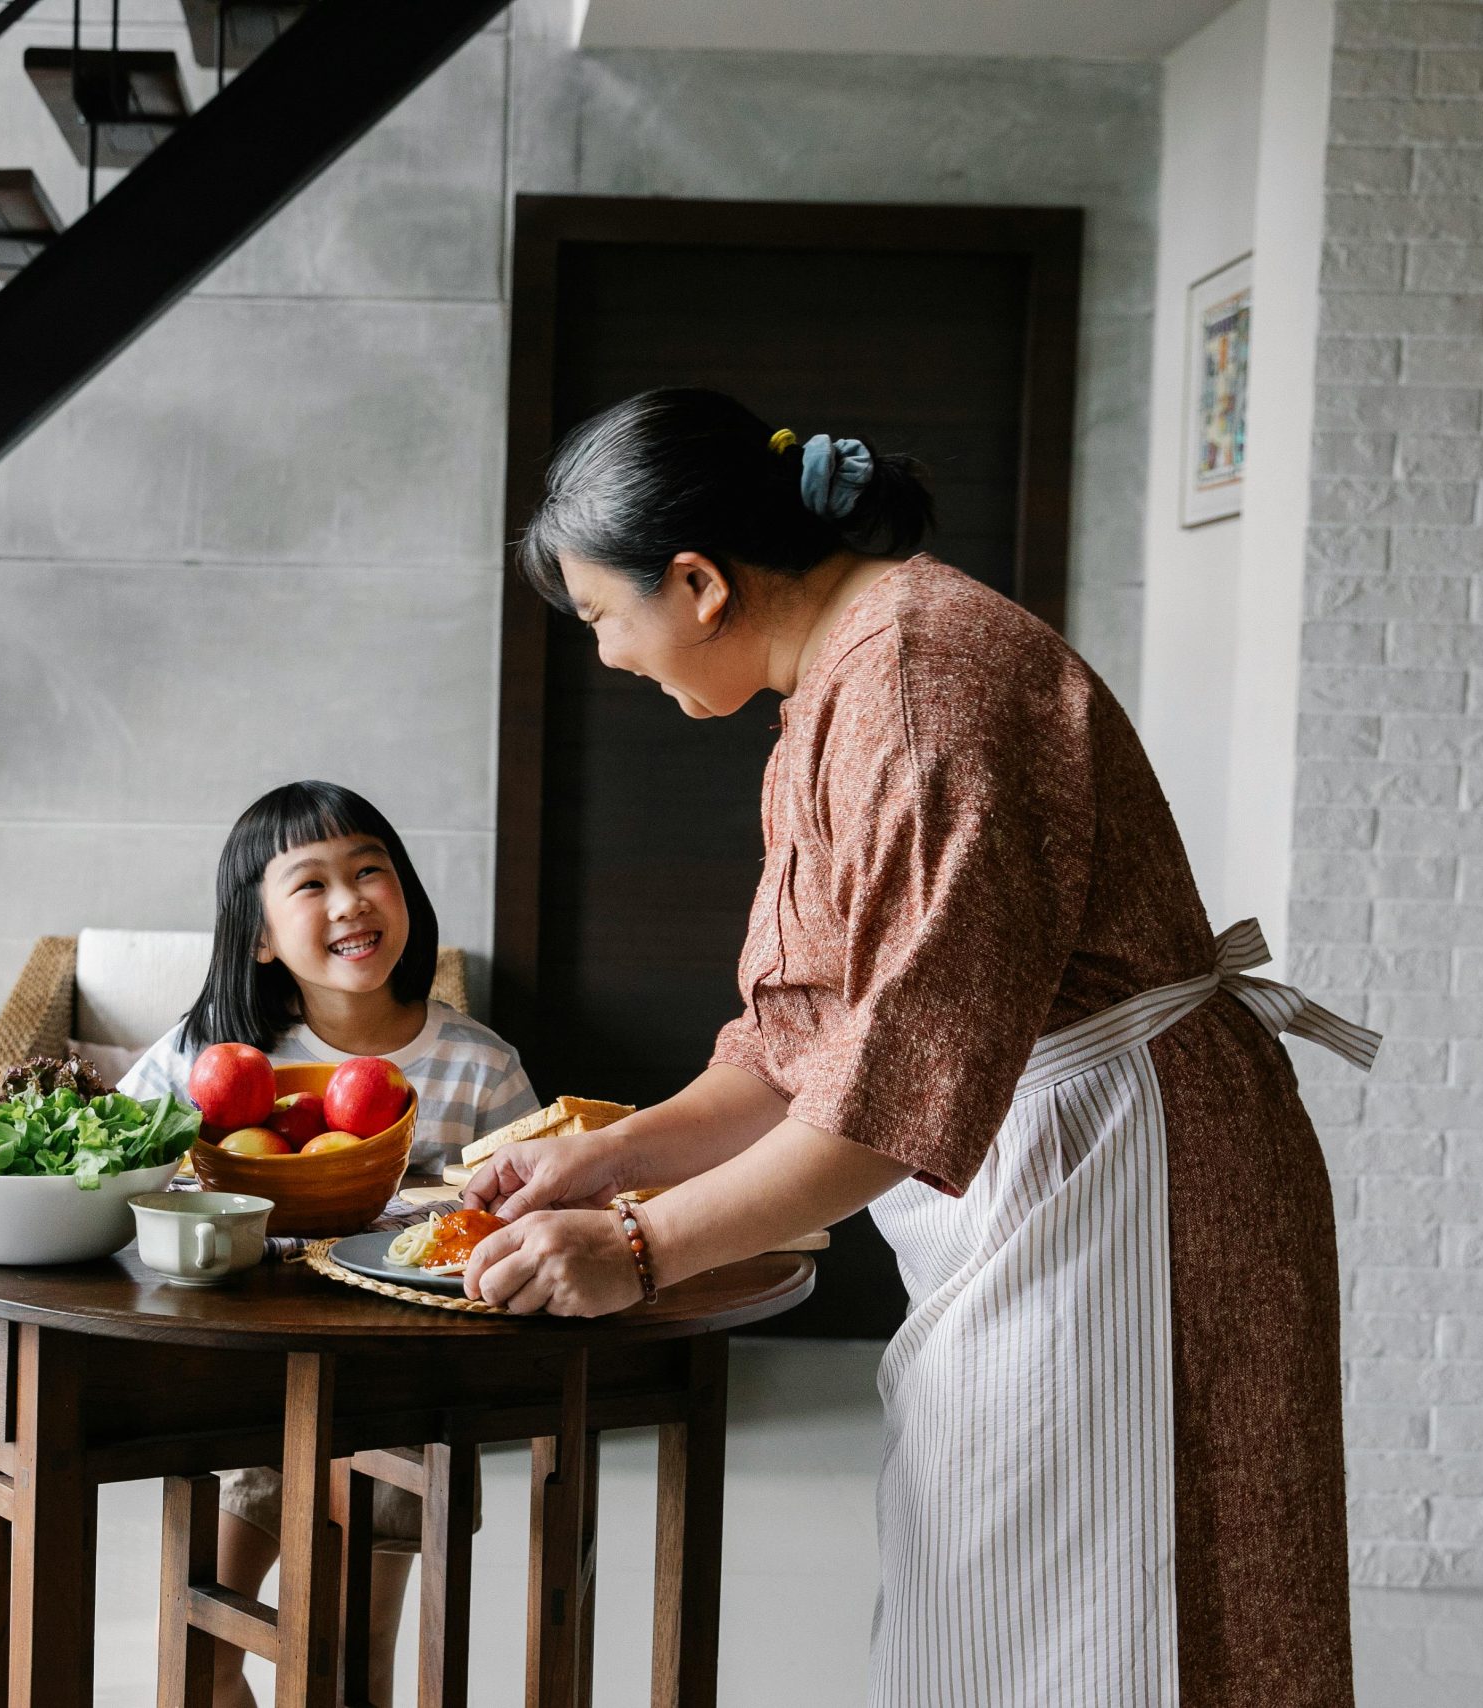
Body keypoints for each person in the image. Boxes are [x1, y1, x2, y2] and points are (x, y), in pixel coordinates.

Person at [461, 388, 1376, 1707]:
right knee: (999, 1600)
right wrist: (613, 1159)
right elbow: (795, 1043)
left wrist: (641, 1248)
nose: (605, 656)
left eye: (602, 616)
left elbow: (893, 1092)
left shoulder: (917, 683)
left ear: (700, 582)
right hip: (1048, 1166)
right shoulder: (837, 682)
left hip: (1134, 1180)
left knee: (1134, 1616)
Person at [120, 779, 538, 1708]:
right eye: (311, 884)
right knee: (201, 1657)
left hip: (406, 1400)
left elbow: (525, 1210)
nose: (350, 899)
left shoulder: (479, 1065)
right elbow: (116, 1158)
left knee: (354, 1669)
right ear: (260, 934)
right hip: (253, 1394)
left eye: (370, 871)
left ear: (407, 896)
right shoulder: (221, 1059)